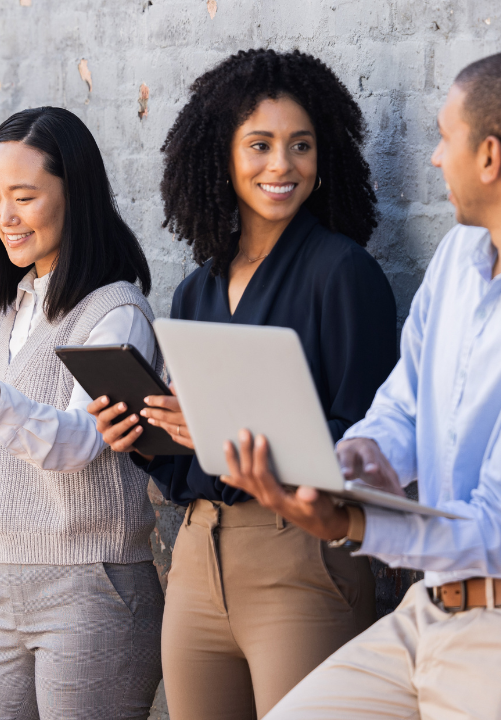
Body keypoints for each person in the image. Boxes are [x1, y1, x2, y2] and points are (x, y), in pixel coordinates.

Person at [219, 52, 501, 720]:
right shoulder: (462, 256)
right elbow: (404, 401)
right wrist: (361, 458)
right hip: (430, 610)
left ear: (489, 158)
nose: (433, 158)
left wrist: (348, 518)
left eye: (444, 136)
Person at [88, 49, 398, 720]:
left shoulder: (344, 275)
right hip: (198, 560)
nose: (282, 164)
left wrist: (228, 437)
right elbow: (192, 468)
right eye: (259, 145)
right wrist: (148, 440)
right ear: (221, 157)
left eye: (301, 146)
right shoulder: (197, 289)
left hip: (301, 557)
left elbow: (368, 446)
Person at [0, 107, 163, 720]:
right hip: (5, 591)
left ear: (77, 196)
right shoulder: (5, 309)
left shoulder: (115, 310)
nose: (4, 217)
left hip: (91, 589)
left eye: (24, 197)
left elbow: (81, 441)